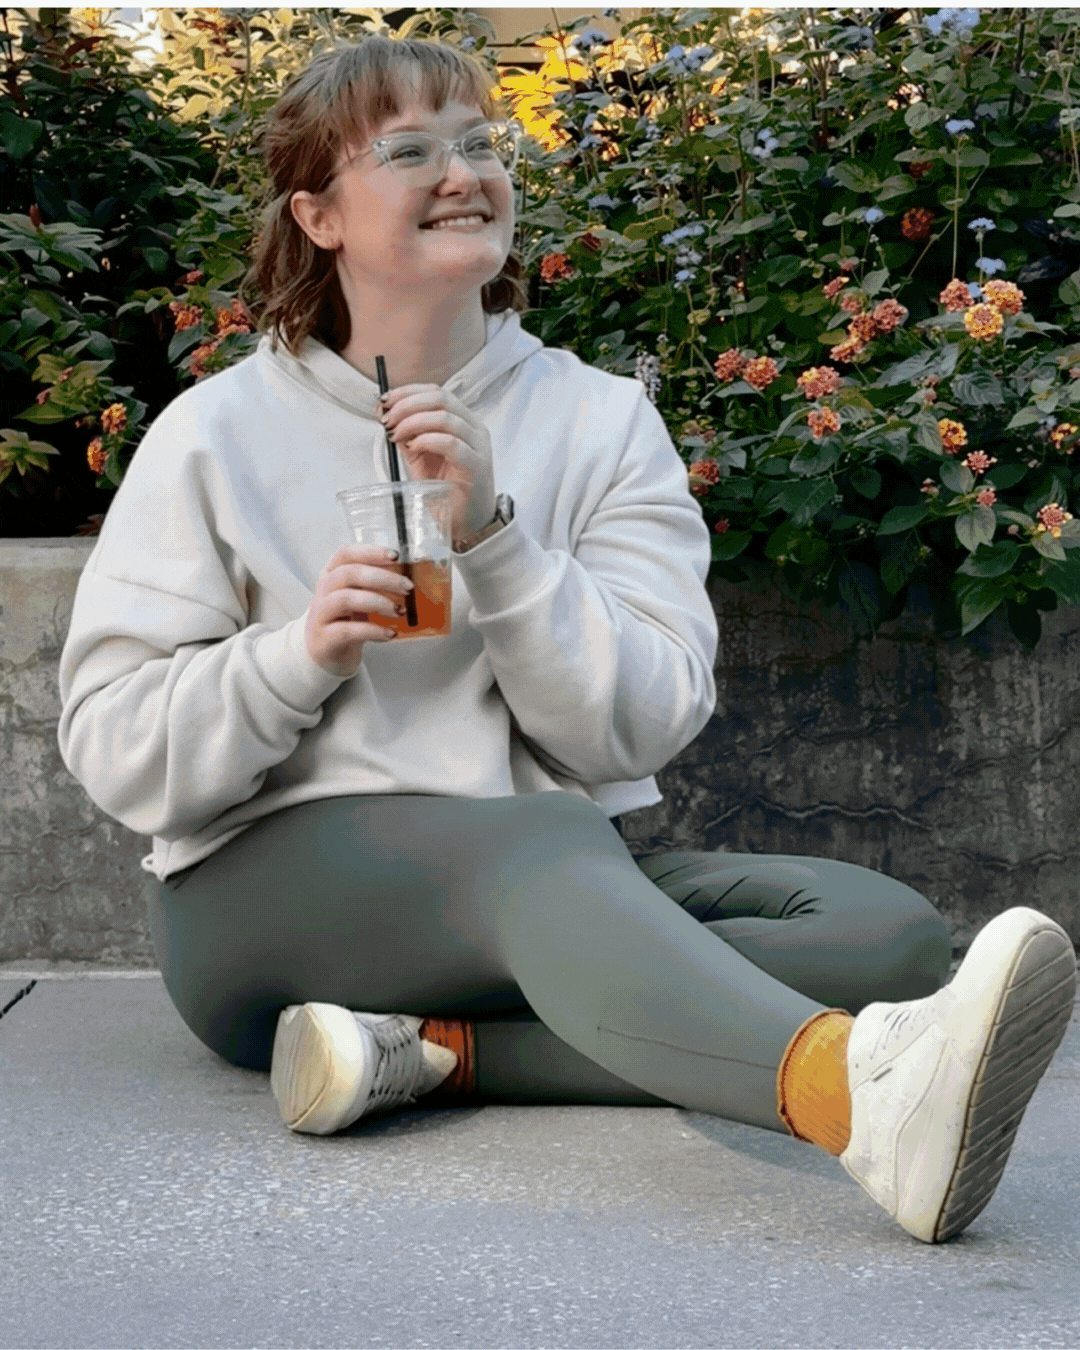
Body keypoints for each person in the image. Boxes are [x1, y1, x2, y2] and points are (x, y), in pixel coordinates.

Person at [57, 36, 1075, 1247]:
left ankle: (430, 1053)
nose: (464, 173)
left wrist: (495, 541)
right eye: (411, 150)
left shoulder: (601, 420)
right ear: (318, 215)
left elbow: (638, 725)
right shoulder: (212, 434)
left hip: (541, 877)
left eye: (481, 144)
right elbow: (114, 746)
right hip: (258, 909)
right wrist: (295, 658)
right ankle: (853, 1101)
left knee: (887, 937)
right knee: (541, 840)